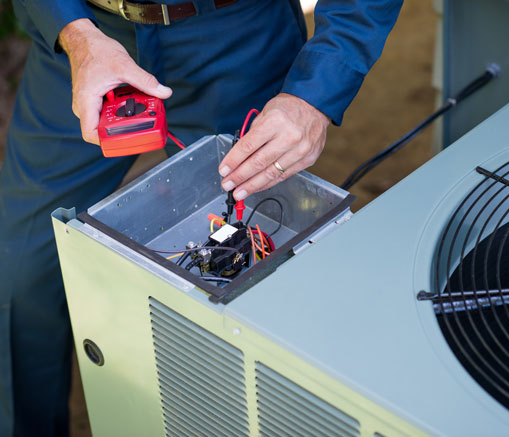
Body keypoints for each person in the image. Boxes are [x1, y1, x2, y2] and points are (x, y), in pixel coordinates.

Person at [0, 0, 403, 434]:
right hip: (89, 40)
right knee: (18, 273)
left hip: (237, 38)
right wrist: (77, 37)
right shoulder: (81, 40)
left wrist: (314, 97)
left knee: (251, 290)